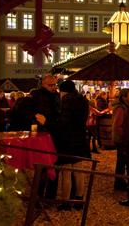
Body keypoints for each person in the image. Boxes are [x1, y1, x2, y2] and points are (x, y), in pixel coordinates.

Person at [51, 80, 90, 211]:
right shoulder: (83, 100)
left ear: (63, 91)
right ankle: (79, 200)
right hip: (80, 139)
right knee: (79, 171)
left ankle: (66, 201)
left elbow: (64, 123)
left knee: (66, 172)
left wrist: (50, 123)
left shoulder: (67, 101)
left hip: (67, 140)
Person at [112, 88, 129, 191]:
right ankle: (119, 183)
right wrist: (124, 136)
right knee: (121, 161)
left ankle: (120, 181)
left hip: (121, 138)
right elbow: (117, 126)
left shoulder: (124, 106)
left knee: (121, 161)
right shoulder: (121, 108)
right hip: (121, 139)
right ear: (124, 97)